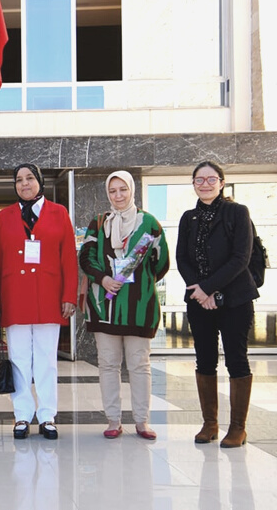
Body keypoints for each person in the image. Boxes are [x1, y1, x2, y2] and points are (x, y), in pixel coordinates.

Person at [0, 163, 78, 440]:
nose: (24, 184)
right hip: (14, 295)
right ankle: (22, 415)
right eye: (19, 180)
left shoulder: (59, 212)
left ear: (39, 181)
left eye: (30, 178)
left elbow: (68, 259)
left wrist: (69, 296)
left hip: (49, 296)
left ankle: (47, 415)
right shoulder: (4, 216)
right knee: (18, 359)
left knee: (46, 360)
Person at [79, 171, 169, 440]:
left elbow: (161, 261)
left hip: (139, 308)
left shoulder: (149, 223)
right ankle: (113, 420)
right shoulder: (98, 222)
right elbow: (86, 256)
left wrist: (139, 282)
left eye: (123, 190)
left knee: (140, 365)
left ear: (132, 191)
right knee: (108, 365)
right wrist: (103, 279)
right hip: (103, 306)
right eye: (113, 191)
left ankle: (142, 421)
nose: (118, 196)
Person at [176, 160, 258, 448]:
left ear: (222, 182)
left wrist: (208, 288)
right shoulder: (188, 218)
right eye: (200, 180)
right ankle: (210, 423)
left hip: (236, 299)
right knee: (205, 359)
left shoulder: (237, 212)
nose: (205, 184)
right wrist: (200, 292)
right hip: (199, 301)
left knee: (236, 359)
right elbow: (182, 259)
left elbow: (241, 258)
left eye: (211, 179)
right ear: (194, 184)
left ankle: (238, 428)